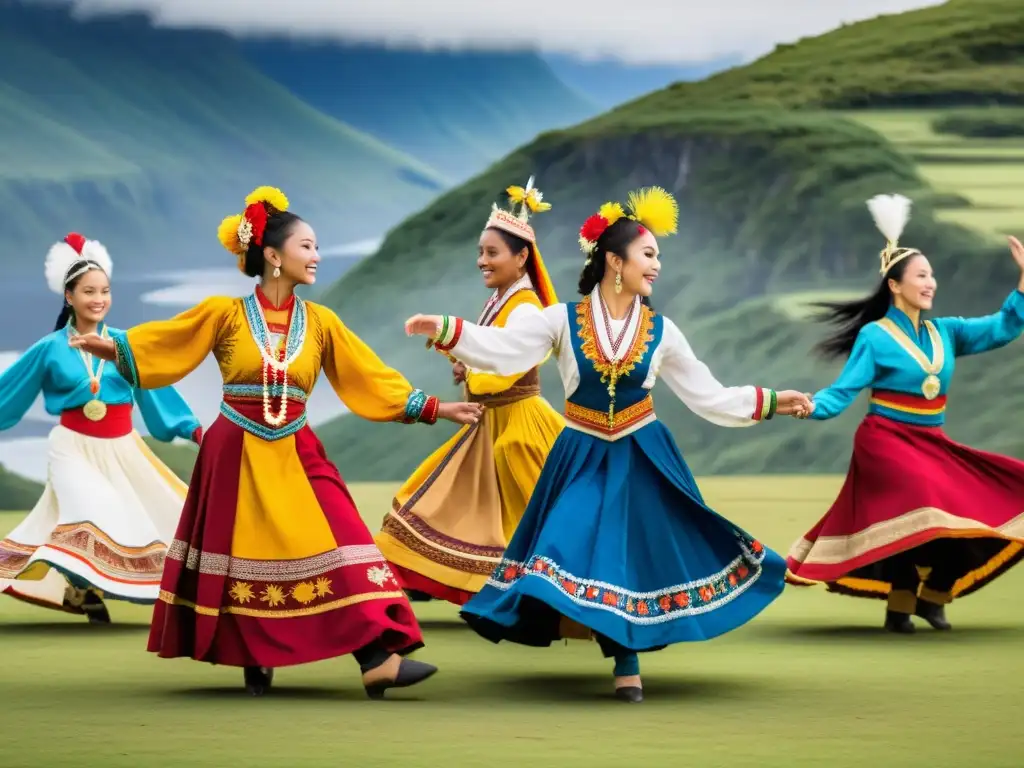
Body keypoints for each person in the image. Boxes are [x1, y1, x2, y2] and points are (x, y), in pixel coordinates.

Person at [70, 186, 482, 697]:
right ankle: (257, 659)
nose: (316, 256)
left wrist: (436, 408)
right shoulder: (225, 314)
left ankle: (377, 656)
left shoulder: (322, 323)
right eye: (307, 246)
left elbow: (367, 377)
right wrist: (111, 349)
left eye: (316, 247)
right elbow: (169, 344)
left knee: (346, 539)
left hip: (296, 447)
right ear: (272, 255)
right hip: (235, 446)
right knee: (242, 554)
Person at [405, 187, 811, 702]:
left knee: (630, 558)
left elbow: (708, 396)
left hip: (642, 454)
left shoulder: (661, 331)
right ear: (615, 262)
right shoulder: (559, 321)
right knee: (561, 544)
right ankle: (588, 638)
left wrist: (773, 400)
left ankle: (627, 665)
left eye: (657, 256)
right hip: (581, 452)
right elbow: (504, 352)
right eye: (649, 254)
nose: (657, 265)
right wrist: (445, 329)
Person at [786, 193, 1024, 633]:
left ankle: (927, 599)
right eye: (920, 275)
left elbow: (1001, 328)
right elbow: (842, 393)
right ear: (895, 285)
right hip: (886, 442)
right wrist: (808, 406)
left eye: (932, 275)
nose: (930, 282)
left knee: (974, 504)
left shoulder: (945, 332)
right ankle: (900, 603)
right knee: (927, 504)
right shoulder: (875, 337)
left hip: (931, 442)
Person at [377, 178, 564, 605]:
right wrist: (463, 358)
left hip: (517, 419)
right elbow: (490, 350)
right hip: (491, 419)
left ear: (521, 258)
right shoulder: (505, 299)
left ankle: (526, 588)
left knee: (519, 510)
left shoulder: (527, 306)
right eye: (480, 252)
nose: (482, 260)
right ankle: (431, 574)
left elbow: (506, 363)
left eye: (492, 253)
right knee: (442, 497)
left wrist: (457, 347)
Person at [0, 233, 201, 623]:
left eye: (104, 291)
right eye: (88, 291)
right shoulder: (50, 348)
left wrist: (190, 428)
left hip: (122, 446)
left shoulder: (125, 344)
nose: (98, 299)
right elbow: (10, 392)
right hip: (71, 446)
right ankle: (82, 586)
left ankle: (80, 590)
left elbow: (155, 392)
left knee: (169, 514)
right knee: (93, 508)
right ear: (69, 297)